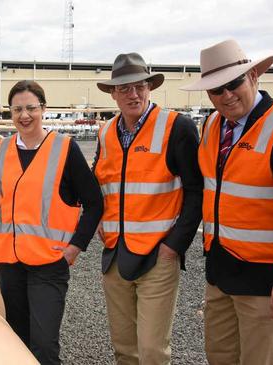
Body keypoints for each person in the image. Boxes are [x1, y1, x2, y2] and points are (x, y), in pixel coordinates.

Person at [181, 39, 273, 364]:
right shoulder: (212, 126)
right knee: (219, 356)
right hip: (220, 273)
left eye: (234, 84)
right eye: (216, 90)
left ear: (254, 77)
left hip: (264, 281)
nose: (227, 95)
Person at [0, 80, 103, 364]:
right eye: (17, 109)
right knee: (15, 339)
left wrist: (75, 248)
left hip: (49, 264)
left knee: (44, 345)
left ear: (43, 109)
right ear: (10, 113)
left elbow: (95, 203)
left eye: (31, 108)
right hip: (10, 263)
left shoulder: (65, 149)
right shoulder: (2, 150)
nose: (24, 115)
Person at [93, 53, 203, 364]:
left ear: (150, 88)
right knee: (125, 349)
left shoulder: (176, 127)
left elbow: (196, 192)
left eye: (140, 86)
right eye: (125, 89)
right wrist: (99, 217)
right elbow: (98, 182)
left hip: (158, 256)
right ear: (113, 93)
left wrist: (174, 246)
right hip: (115, 256)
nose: (134, 95)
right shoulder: (105, 133)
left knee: (153, 351)